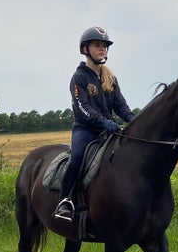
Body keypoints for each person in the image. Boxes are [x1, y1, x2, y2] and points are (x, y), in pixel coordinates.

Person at [53, 26, 135, 221]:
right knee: (77, 158)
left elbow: (120, 105)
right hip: (86, 130)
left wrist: (132, 119)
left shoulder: (110, 78)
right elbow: (81, 107)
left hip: (109, 130)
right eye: (97, 45)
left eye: (105, 46)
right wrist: (103, 121)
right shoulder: (79, 77)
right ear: (85, 49)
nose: (102, 49)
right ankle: (65, 201)